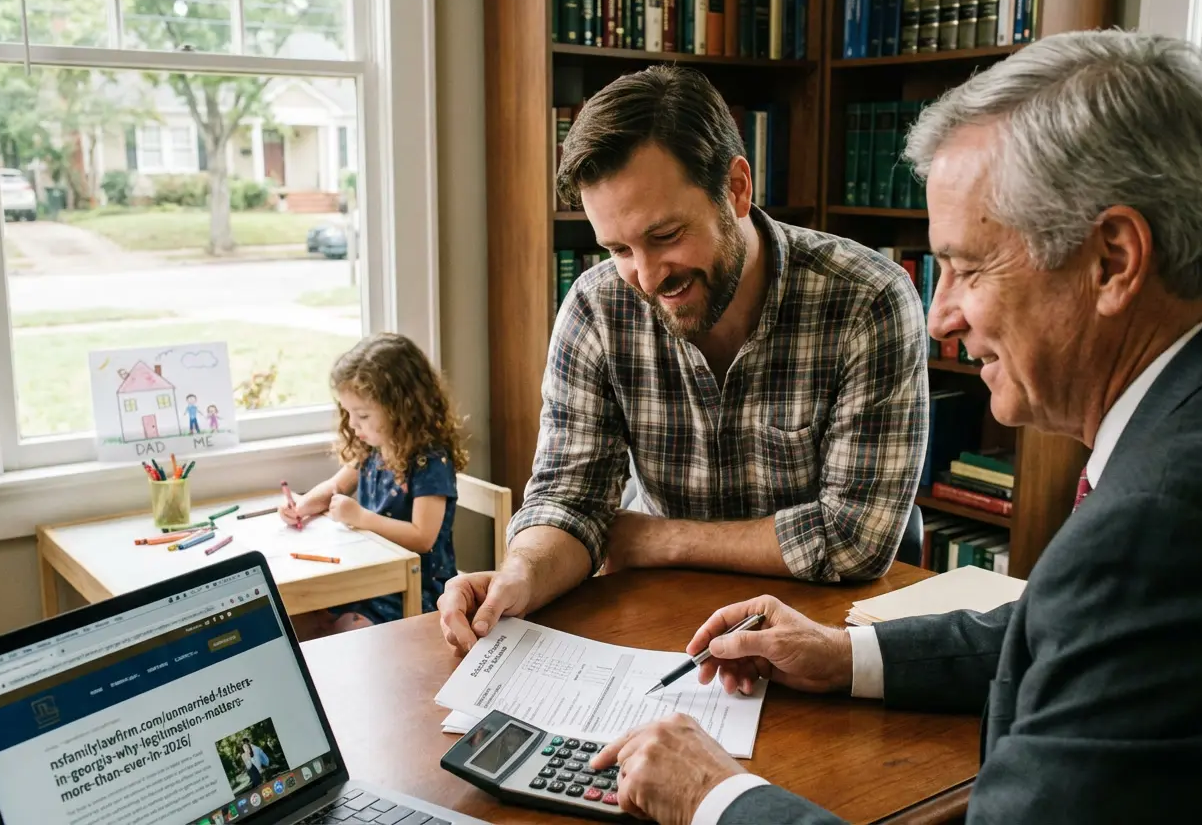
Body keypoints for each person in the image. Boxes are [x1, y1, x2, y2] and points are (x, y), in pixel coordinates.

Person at [582, 29, 1202, 825]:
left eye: (968, 267)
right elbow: (1071, 634)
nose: (940, 317)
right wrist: (844, 655)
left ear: (1114, 259)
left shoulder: (1161, 525)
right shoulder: (1190, 441)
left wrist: (713, 796)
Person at [440, 66, 929, 653]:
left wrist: (653, 539)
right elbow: (568, 500)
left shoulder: (867, 298)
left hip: (820, 632)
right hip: (662, 628)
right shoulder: (597, 307)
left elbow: (854, 539)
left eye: (666, 235)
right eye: (619, 249)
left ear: (737, 188)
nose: (646, 278)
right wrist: (519, 575)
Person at [283, 332, 468, 639]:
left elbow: (423, 537)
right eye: (348, 413)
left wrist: (360, 518)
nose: (353, 424)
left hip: (413, 589)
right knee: (295, 619)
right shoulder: (372, 450)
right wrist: (302, 506)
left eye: (363, 415)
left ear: (401, 409)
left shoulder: (430, 462)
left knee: (340, 634)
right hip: (369, 578)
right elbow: (334, 487)